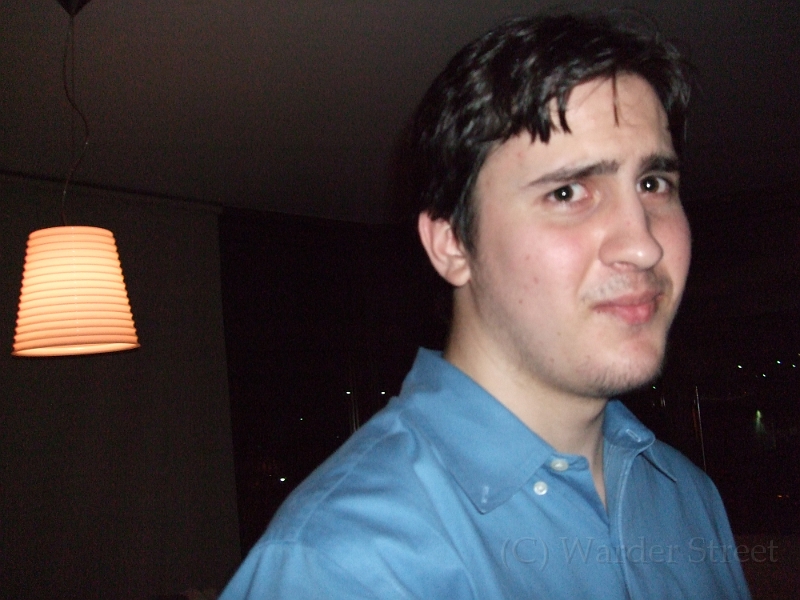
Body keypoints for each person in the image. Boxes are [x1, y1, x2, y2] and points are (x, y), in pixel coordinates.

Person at [220, 12, 751, 599]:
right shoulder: (344, 564)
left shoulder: (685, 495)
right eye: (568, 192)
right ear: (452, 244)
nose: (644, 245)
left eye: (653, 184)